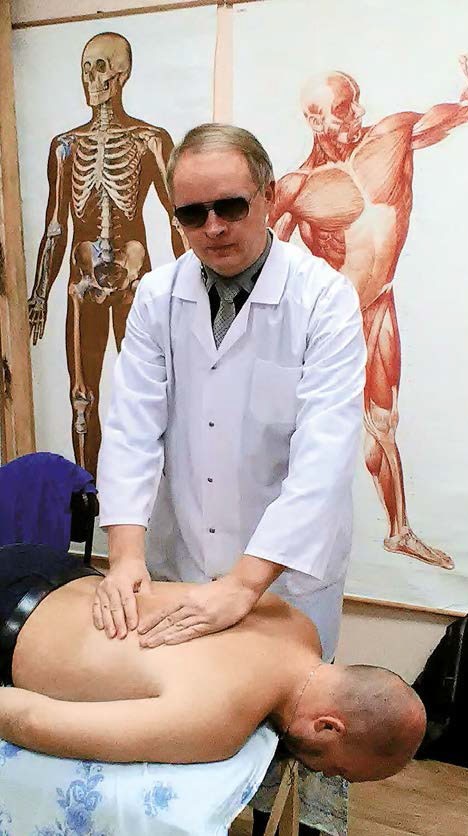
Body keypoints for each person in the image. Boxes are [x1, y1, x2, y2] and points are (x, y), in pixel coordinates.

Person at [95, 122, 367, 666]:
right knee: (183, 697)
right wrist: (124, 558)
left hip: (283, 577)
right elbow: (131, 430)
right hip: (180, 562)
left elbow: (325, 459)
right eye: (192, 214)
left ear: (269, 196)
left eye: (230, 207)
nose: (213, 228)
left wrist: (244, 584)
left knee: (285, 707)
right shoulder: (157, 297)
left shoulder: (323, 300)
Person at [269, 52, 468, 571]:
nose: (357, 114)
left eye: (354, 103)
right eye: (344, 108)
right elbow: (263, 264)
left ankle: (399, 532)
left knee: (384, 423)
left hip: (379, 303)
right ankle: (287, 537)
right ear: (315, 120)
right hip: (331, 323)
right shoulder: (298, 186)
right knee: (306, 426)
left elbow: (464, 110)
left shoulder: (392, 137)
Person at [0, 544, 426, 784]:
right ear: (328, 726)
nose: (324, 774)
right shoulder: (219, 724)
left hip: (54, 567)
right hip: (10, 621)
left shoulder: (298, 625)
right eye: (336, 769)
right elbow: (32, 720)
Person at [27, 31, 184, 478]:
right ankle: (86, 496)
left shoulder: (150, 140)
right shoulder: (65, 146)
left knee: (145, 393)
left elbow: (177, 218)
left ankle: (152, 495)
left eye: (101, 68)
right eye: (86, 69)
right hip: (83, 282)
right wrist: (40, 292)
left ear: (122, 74)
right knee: (82, 396)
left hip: (135, 279)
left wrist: (196, 292)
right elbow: (56, 226)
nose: (92, 79)